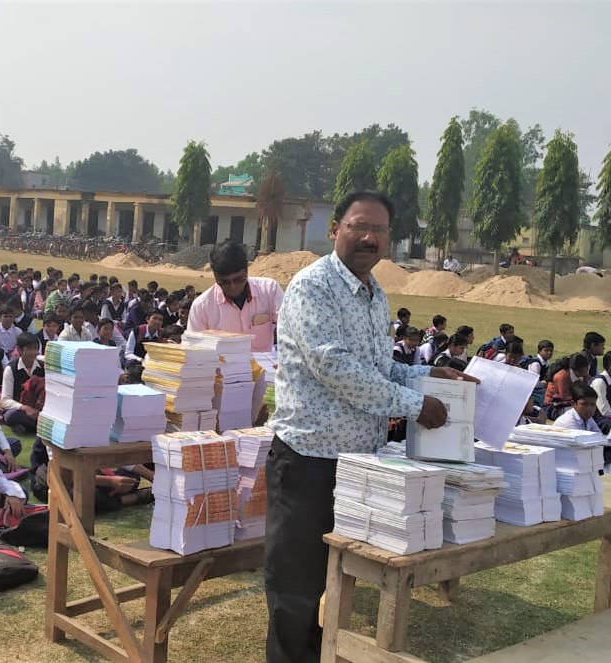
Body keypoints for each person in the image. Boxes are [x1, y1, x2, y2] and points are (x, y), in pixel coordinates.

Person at [265, 191, 476, 662]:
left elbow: (379, 369)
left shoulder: (375, 293)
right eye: (359, 226)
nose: (369, 238)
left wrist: (429, 374)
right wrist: (414, 404)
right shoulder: (313, 286)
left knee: (337, 581)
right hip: (309, 463)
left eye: (379, 230)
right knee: (296, 588)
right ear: (335, 229)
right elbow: (334, 367)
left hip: (360, 463)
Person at [187, 240, 284, 353]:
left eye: (238, 279)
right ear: (215, 276)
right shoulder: (201, 307)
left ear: (246, 270)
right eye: (225, 282)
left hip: (263, 364)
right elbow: (194, 352)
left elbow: (289, 329)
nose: (233, 287)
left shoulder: (270, 290)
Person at [0, 333, 44, 434]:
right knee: (10, 416)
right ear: (19, 350)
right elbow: (5, 400)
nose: (33, 352)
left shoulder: (42, 367)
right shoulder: (11, 369)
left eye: (35, 348)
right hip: (21, 409)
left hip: (39, 409)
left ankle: (28, 427)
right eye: (29, 349)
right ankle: (38, 427)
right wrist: (25, 408)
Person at [544, 353, 590, 419]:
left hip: (572, 403)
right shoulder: (562, 376)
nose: (588, 369)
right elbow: (564, 397)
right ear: (577, 370)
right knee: (581, 412)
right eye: (587, 368)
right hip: (554, 406)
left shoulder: (584, 376)